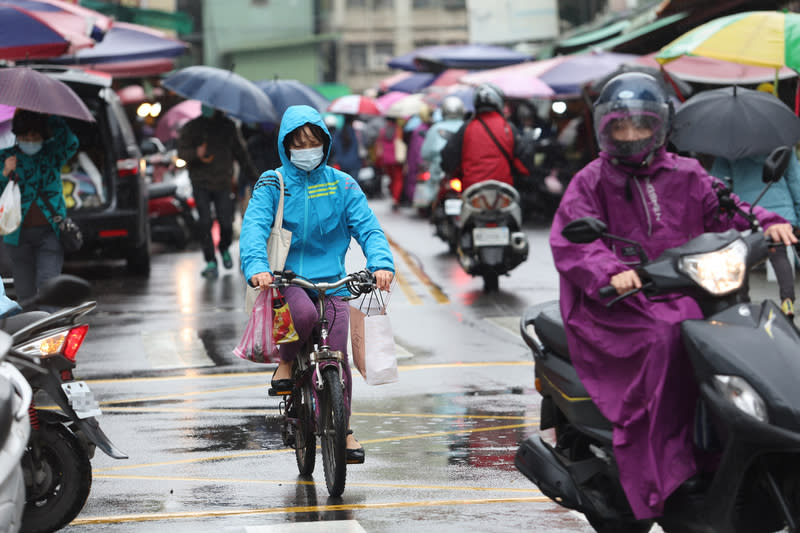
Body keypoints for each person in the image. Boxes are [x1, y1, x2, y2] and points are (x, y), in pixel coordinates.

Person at [549, 72, 796, 520]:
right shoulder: (590, 181)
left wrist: (769, 223)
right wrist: (614, 272)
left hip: (694, 291)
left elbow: (728, 208)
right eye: (620, 126)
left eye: (640, 125)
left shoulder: (686, 171)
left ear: (659, 126)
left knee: (750, 330)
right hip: (620, 306)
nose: (630, 135)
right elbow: (573, 241)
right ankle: (664, 468)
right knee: (670, 337)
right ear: (605, 128)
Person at [240, 105, 395, 464]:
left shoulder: (343, 184)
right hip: (288, 279)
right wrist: (257, 267)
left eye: (313, 142)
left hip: (335, 283)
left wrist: (381, 264)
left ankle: (345, 428)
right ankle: (287, 360)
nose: (307, 150)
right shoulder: (271, 183)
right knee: (304, 314)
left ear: (325, 144)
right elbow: (254, 229)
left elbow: (369, 229)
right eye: (299, 143)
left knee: (337, 358)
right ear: (286, 146)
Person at [0, 111, 79, 304]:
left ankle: (50, 332)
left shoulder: (52, 154)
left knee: (49, 286)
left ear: (43, 136)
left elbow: (71, 142)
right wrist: (5, 172)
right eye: (25, 137)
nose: (30, 141)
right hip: (16, 235)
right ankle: (34, 331)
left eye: (35, 137)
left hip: (50, 233)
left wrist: (50, 114)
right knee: (25, 293)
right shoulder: (6, 158)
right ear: (16, 137)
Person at [710, 153, 800, 320]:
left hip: (747, 213)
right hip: (780, 213)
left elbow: (717, 185)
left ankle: (742, 304)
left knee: (742, 257)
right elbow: (796, 184)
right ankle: (787, 301)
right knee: (779, 255)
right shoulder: (783, 149)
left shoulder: (728, 152)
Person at [178, 104, 259, 279]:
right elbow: (182, 153)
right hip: (200, 183)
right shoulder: (192, 127)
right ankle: (210, 260)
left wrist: (255, 177)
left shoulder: (228, 127)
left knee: (226, 222)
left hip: (223, 183)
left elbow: (241, 154)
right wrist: (196, 154)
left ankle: (224, 248)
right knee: (205, 222)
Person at [440, 83, 530, 191]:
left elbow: (448, 161)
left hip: (472, 192)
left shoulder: (467, 127)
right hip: (503, 192)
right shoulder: (508, 128)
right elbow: (524, 165)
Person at [418, 96, 466, 210]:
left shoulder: (435, 128)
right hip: (461, 172)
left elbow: (426, 153)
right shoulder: (466, 126)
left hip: (440, 172)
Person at [375, 116, 406, 210]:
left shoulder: (383, 130)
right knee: (398, 179)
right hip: (397, 159)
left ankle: (393, 197)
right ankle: (396, 199)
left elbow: (379, 144)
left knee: (392, 179)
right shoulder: (399, 130)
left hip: (386, 160)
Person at [329, 114, 363, 180]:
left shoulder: (338, 133)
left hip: (341, 164)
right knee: (353, 187)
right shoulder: (356, 133)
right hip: (354, 164)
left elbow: (333, 146)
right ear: (352, 121)